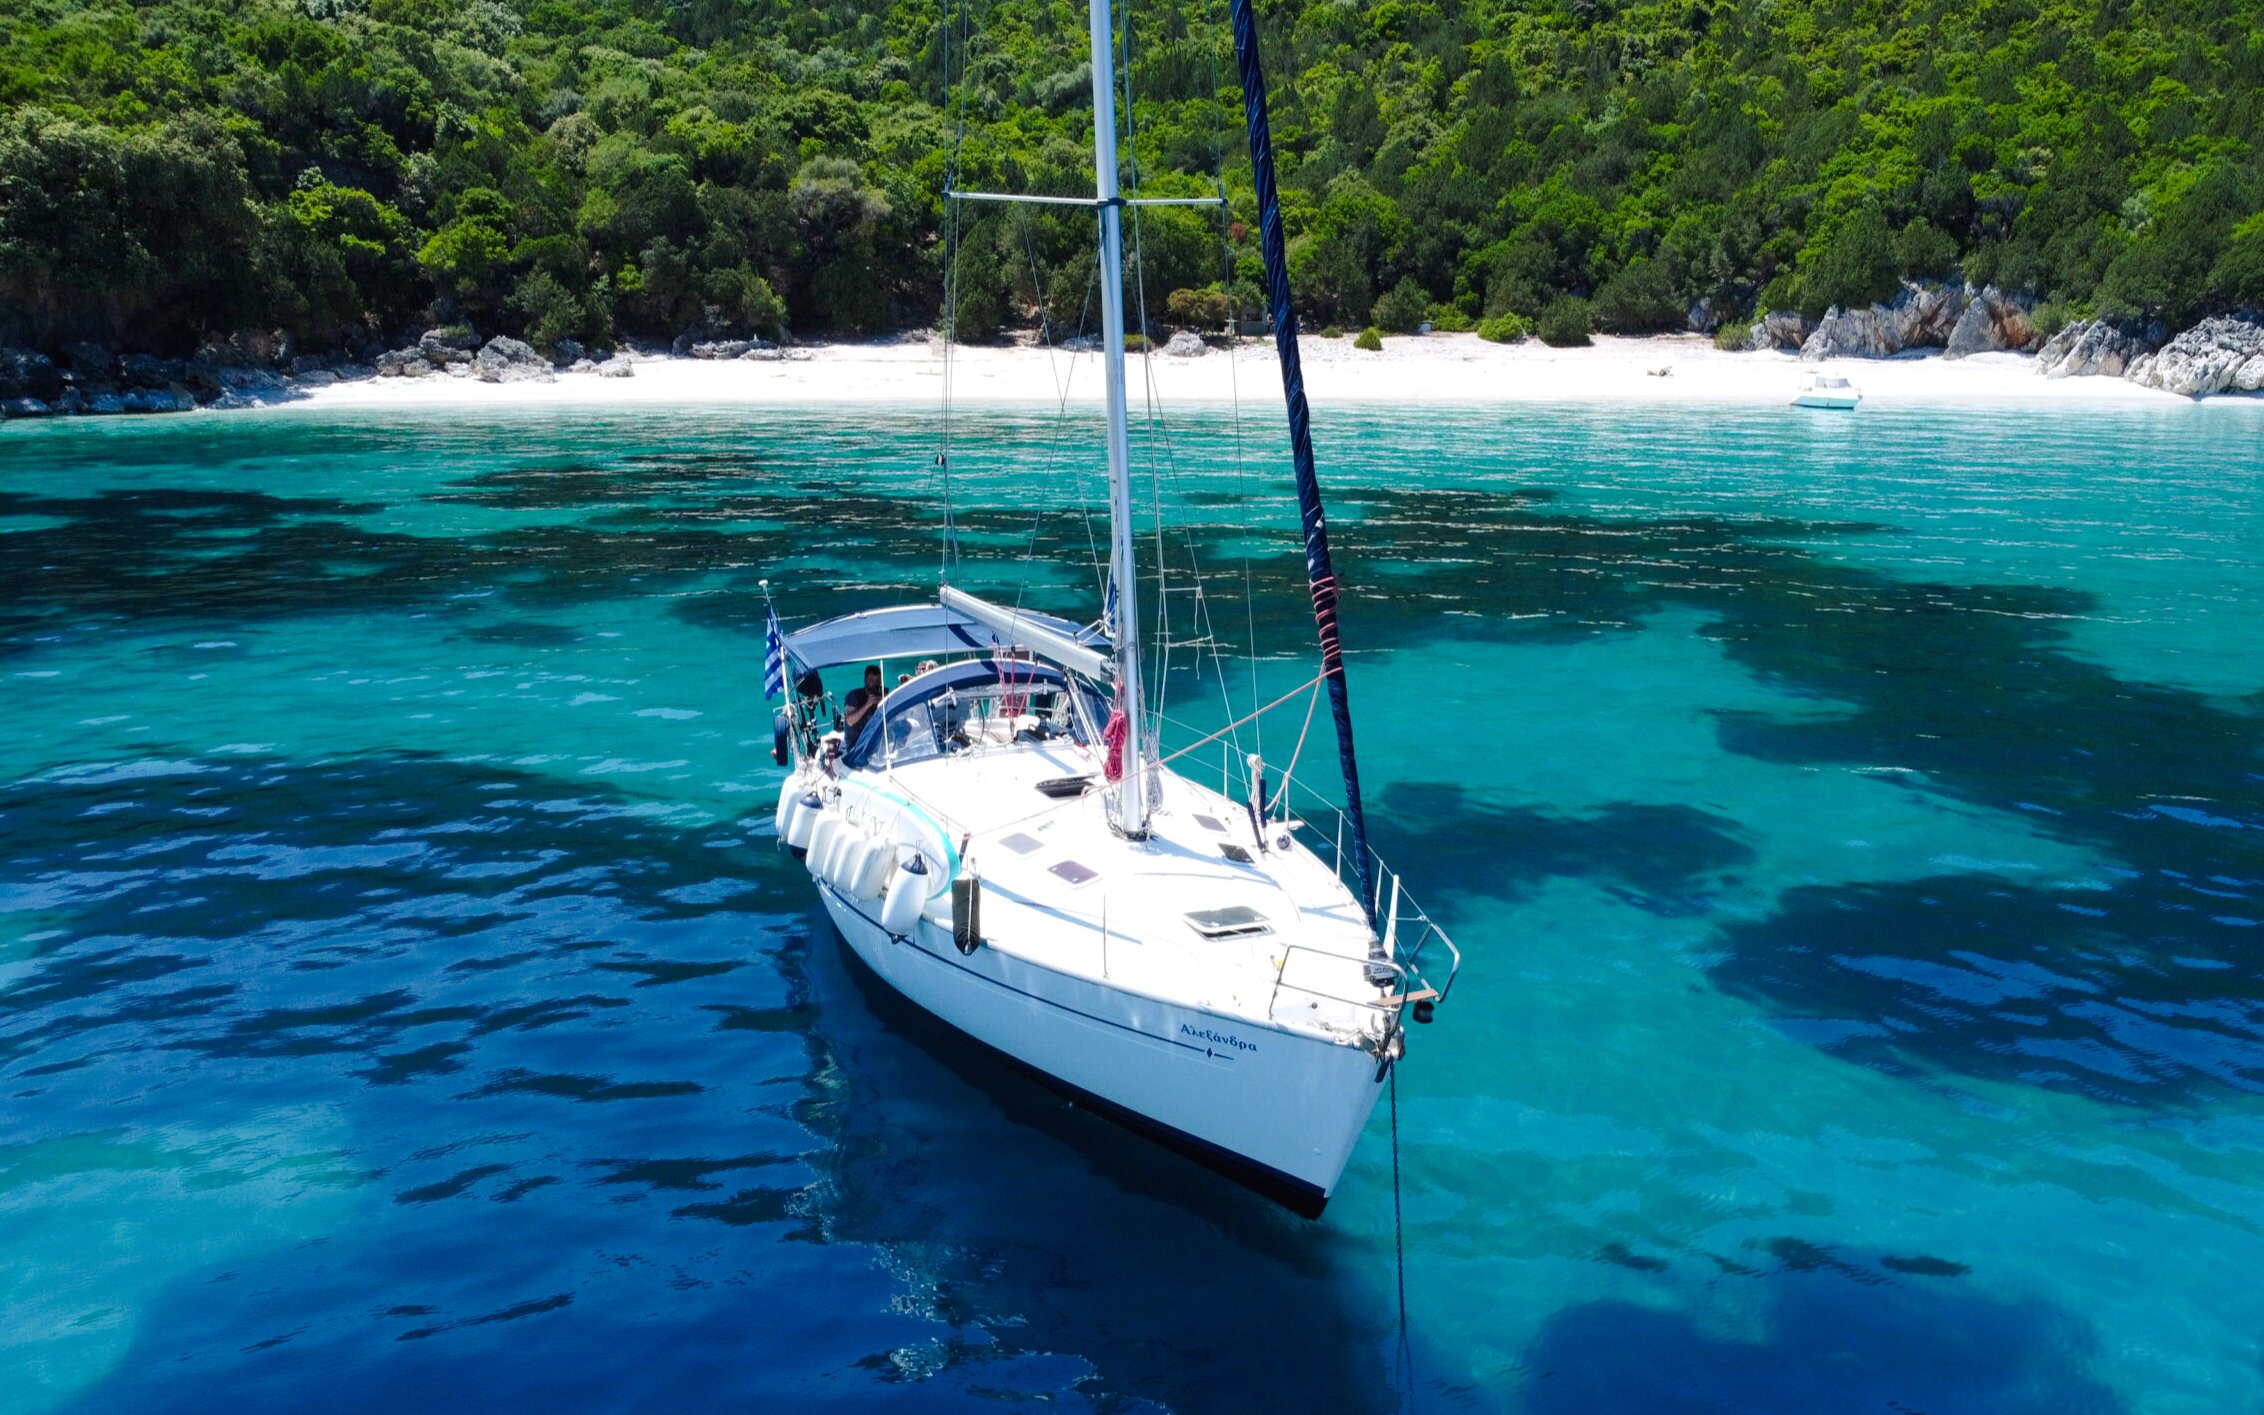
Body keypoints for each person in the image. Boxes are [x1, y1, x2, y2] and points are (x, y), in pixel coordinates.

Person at [840, 664, 885, 742]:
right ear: (866, 681)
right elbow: (850, 721)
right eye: (872, 680)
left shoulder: (883, 694)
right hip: (856, 741)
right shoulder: (854, 696)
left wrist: (886, 701)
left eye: (877, 680)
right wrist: (867, 704)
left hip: (875, 737)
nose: (875, 683)